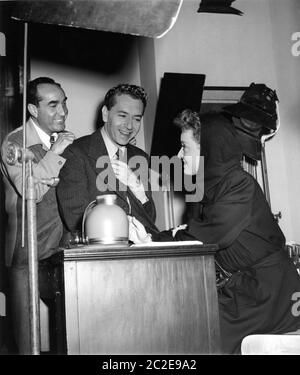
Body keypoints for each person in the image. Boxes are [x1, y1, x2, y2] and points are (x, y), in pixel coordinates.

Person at [129, 109, 300, 354]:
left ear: (207, 149)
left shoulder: (238, 184)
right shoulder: (211, 188)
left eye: (185, 147)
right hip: (246, 289)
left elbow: (202, 238)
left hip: (270, 293)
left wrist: (150, 242)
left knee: (197, 336)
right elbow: (188, 230)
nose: (179, 155)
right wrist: (150, 237)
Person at [0, 76, 75, 353]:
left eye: (64, 103)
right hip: (26, 254)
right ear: (33, 110)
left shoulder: (65, 140)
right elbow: (29, 189)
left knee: (75, 329)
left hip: (59, 251)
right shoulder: (14, 144)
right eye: (53, 105)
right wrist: (55, 152)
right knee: (27, 343)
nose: (63, 112)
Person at [56, 83, 158, 243]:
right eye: (122, 116)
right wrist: (129, 232)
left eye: (136, 119)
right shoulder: (75, 152)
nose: (130, 126)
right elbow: (75, 218)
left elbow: (150, 219)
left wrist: (137, 188)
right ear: (105, 114)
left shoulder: (141, 157)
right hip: (98, 255)